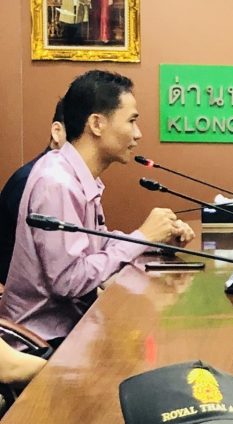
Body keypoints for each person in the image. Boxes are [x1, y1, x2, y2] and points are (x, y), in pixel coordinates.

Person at [0, 70, 194, 345]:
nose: (138, 134)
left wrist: (156, 241)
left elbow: (97, 246)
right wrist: (142, 237)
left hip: (72, 327)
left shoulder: (76, 174)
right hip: (43, 339)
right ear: (97, 124)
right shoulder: (57, 183)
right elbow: (69, 281)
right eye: (131, 121)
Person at [0, 100, 67, 286]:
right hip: (23, 296)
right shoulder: (35, 181)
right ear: (57, 131)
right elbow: (56, 273)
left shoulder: (67, 181)